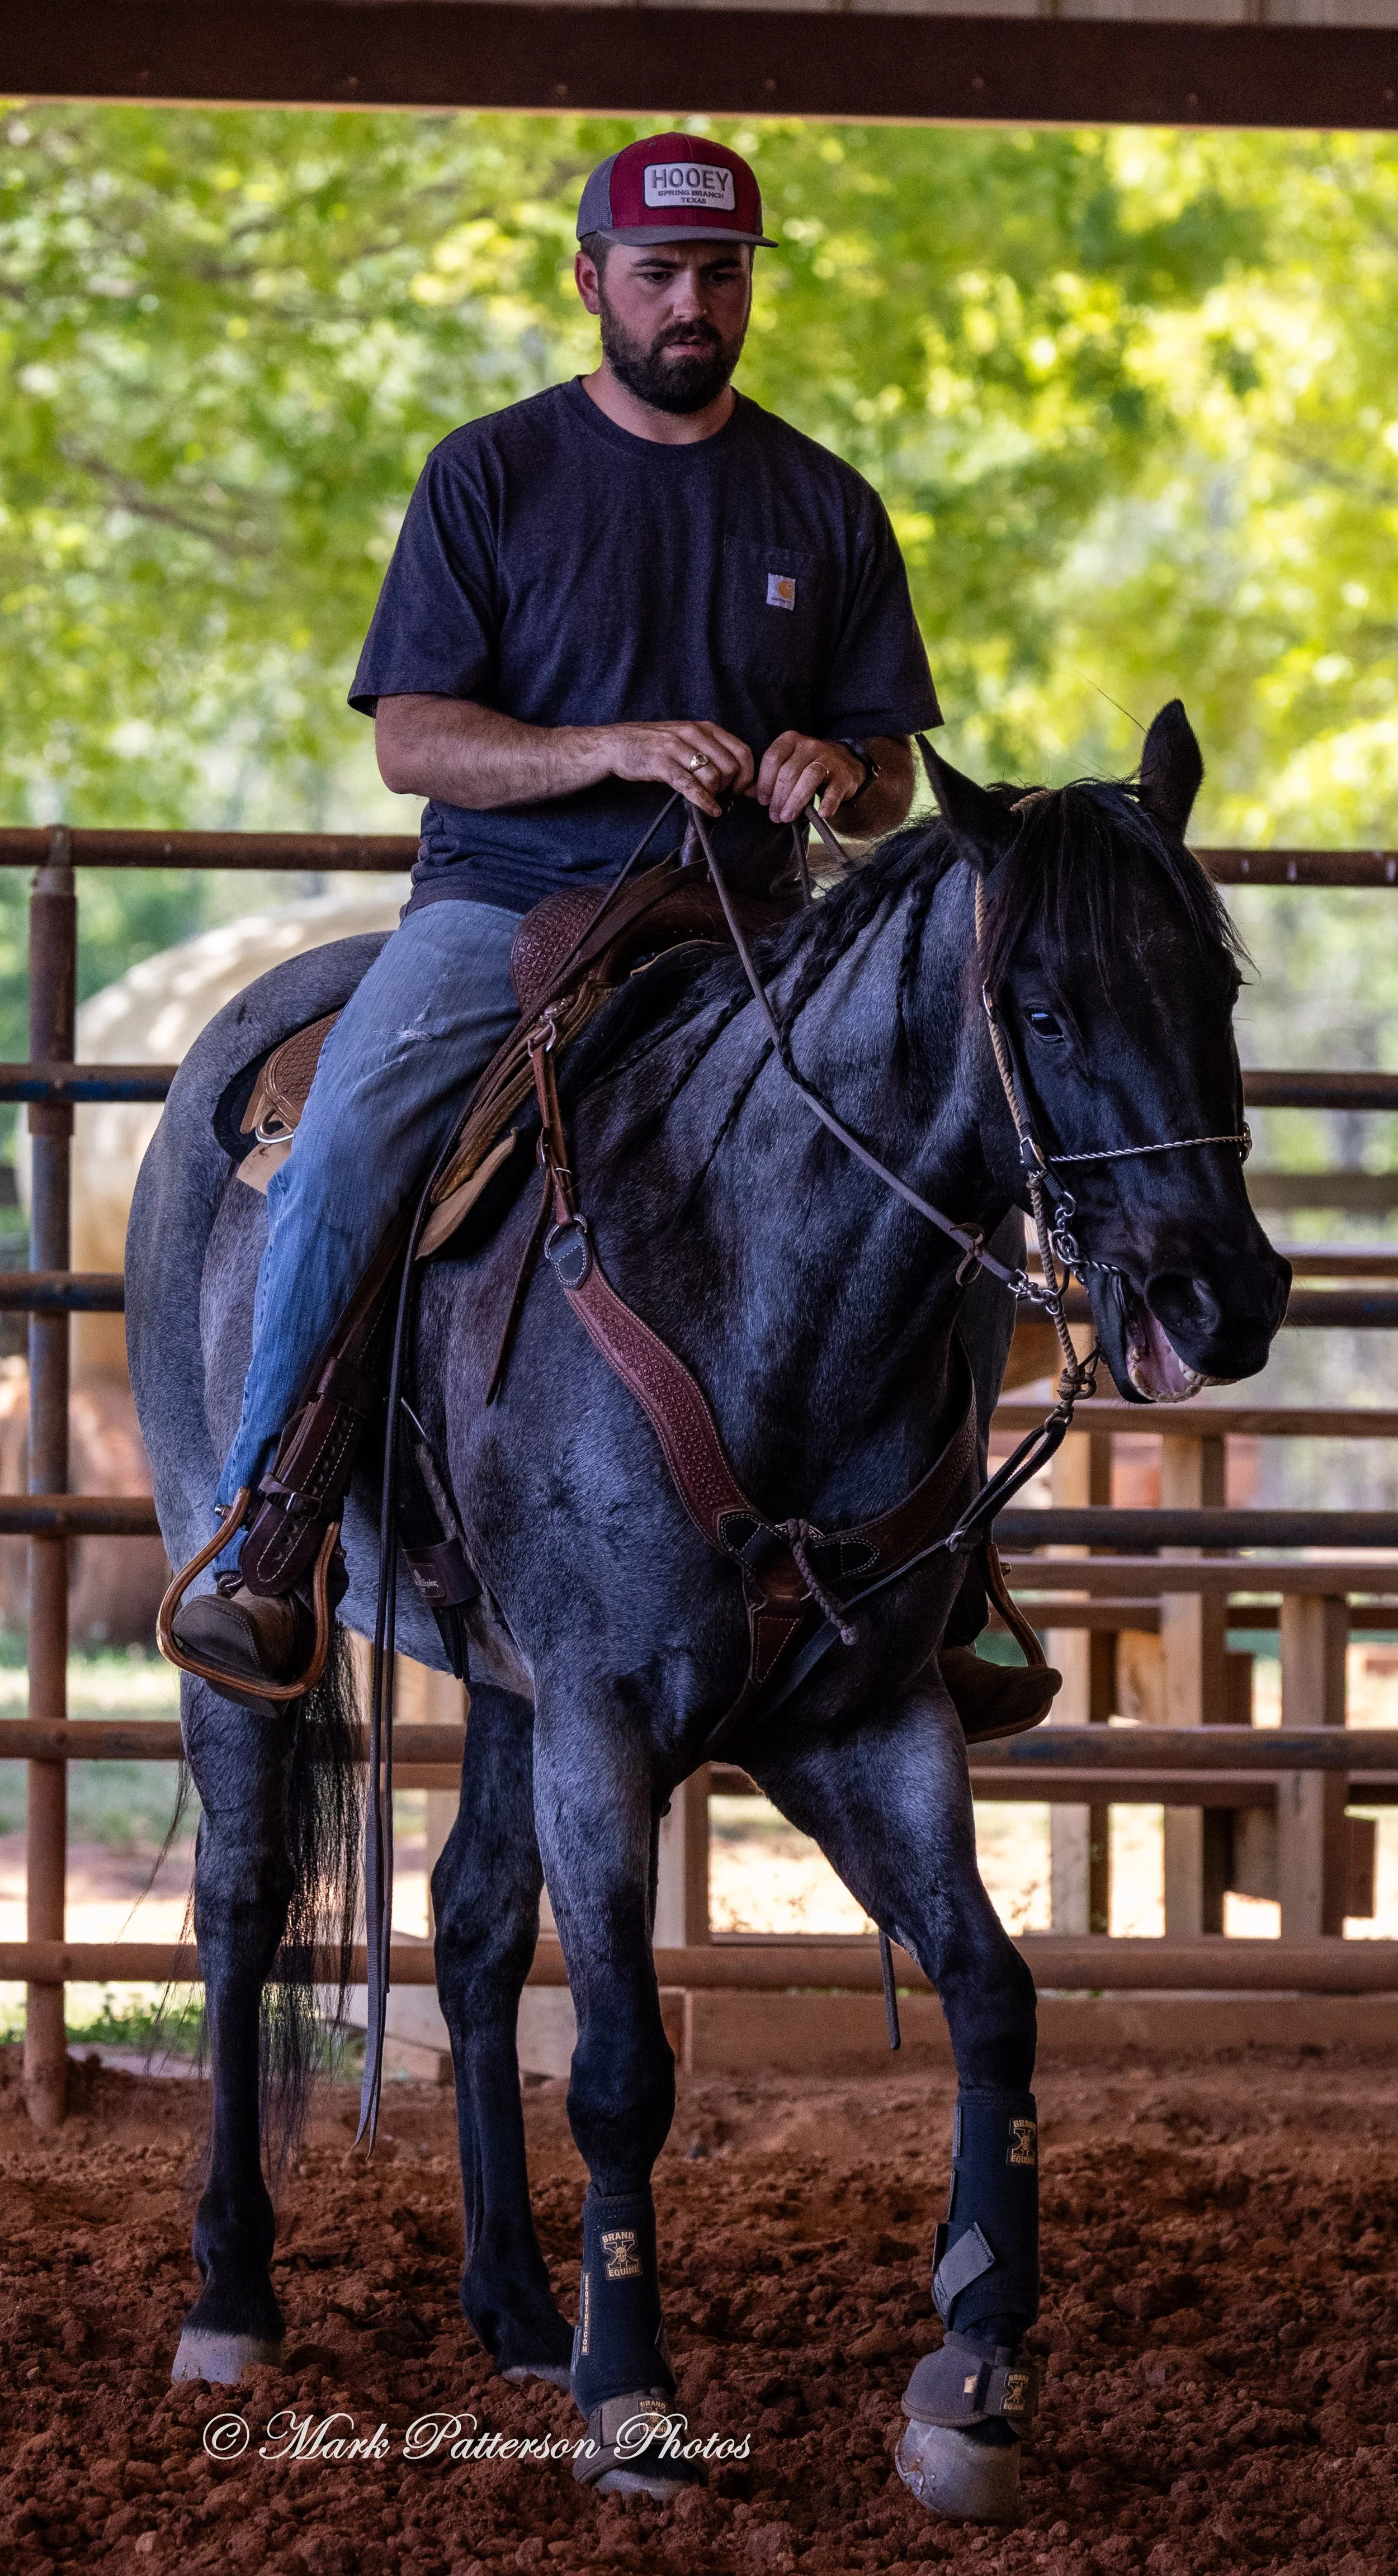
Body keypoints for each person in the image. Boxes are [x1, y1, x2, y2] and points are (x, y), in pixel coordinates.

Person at [171, 131, 947, 1698]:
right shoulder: (493, 474)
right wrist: (602, 745)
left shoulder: (823, 502)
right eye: (657, 274)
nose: (690, 305)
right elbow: (410, 739)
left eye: (719, 275)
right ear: (588, 279)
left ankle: (950, 1569)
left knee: (945, 1155)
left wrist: (835, 769)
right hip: (504, 911)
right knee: (349, 1153)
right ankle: (275, 1526)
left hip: (745, 931)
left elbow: (888, 789)